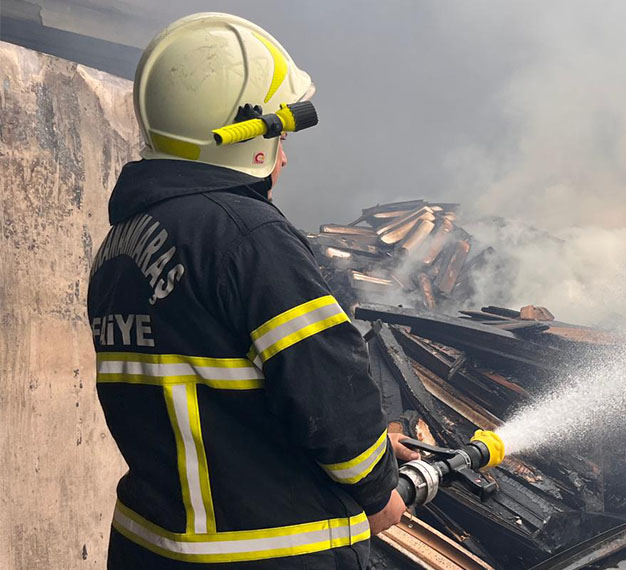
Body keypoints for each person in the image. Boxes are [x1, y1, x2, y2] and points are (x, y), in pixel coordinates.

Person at [86, 12, 416, 569]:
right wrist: (376, 483)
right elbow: (327, 383)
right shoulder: (247, 237)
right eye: (279, 137)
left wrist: (377, 451)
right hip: (267, 554)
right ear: (246, 136)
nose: (284, 155)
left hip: (150, 549)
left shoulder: (120, 247)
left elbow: (216, 400)